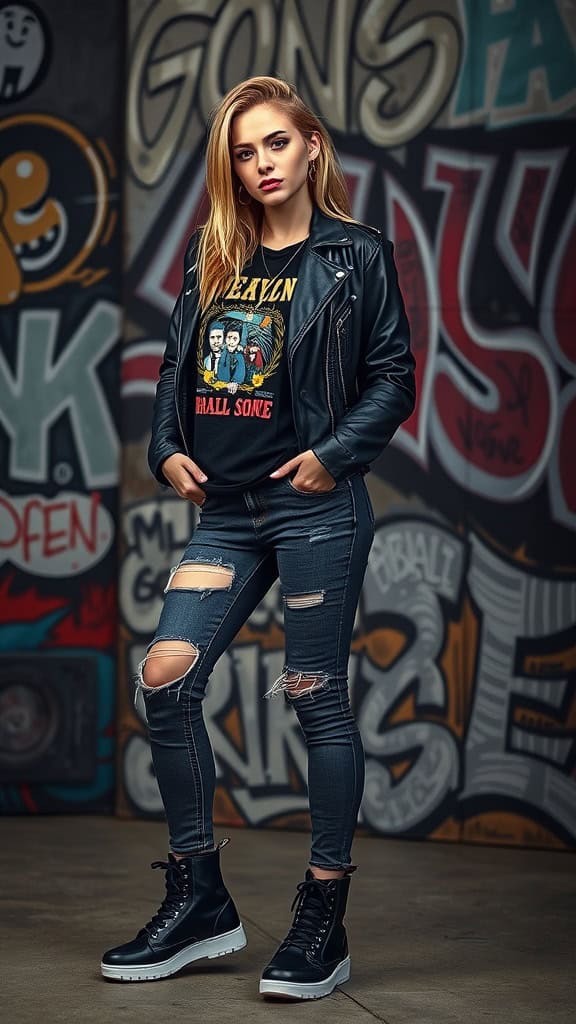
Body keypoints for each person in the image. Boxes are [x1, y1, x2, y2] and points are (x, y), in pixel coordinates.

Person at [101, 75, 415, 999]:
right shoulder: (214, 252)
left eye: (277, 143)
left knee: (316, 695)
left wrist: (334, 454)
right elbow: (174, 370)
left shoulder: (355, 255)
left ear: (311, 146)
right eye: (245, 151)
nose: (262, 163)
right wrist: (164, 449)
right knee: (166, 677)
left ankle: (324, 911)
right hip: (228, 511)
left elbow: (392, 375)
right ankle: (201, 897)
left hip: (317, 504)